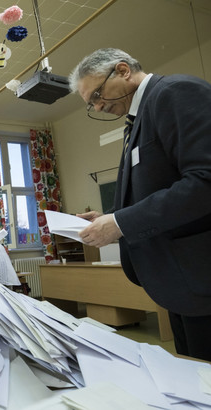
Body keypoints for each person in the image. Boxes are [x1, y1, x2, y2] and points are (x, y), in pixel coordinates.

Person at [69, 48, 211, 361]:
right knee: (196, 375)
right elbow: (157, 188)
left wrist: (120, 223)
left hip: (201, 277)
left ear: (122, 70)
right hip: (180, 284)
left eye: (97, 94)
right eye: (91, 103)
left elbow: (204, 180)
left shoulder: (174, 93)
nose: (99, 105)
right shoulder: (137, 119)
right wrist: (111, 216)